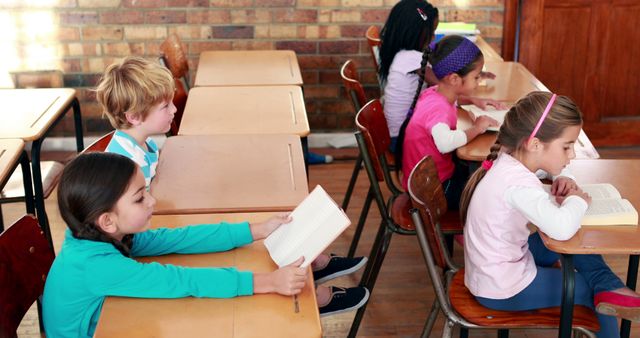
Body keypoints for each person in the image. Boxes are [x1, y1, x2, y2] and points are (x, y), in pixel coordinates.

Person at [95, 56, 369, 316]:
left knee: (244, 240)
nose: (175, 109)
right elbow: (164, 259)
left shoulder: (144, 146)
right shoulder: (122, 168)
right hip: (139, 250)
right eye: (165, 106)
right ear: (133, 116)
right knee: (232, 268)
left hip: (143, 237)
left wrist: (254, 228)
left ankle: (308, 267)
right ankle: (305, 284)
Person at [42, 152, 308, 337]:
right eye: (139, 198)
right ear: (107, 220)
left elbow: (176, 238)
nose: (152, 201)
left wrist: (257, 230)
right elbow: (179, 280)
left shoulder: (93, 233)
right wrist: (269, 283)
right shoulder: (96, 265)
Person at [460, 91, 640, 337]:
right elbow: (561, 227)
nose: (572, 154)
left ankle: (609, 286)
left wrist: (563, 176)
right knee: (590, 291)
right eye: (567, 147)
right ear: (534, 144)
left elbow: (546, 171)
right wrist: (578, 200)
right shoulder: (518, 186)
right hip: (501, 289)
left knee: (578, 246)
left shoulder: (511, 160)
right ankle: (607, 289)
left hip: (494, 267)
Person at [378, 0, 499, 152]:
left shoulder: (404, 55)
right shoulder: (410, 59)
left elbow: (444, 89)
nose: (434, 37)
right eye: (432, 31)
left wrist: (473, 97)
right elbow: (447, 85)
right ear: (417, 31)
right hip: (401, 140)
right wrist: (470, 74)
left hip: (400, 133)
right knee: (467, 147)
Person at [397, 35, 499, 210]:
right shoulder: (439, 109)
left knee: (481, 174)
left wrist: (474, 101)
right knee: (488, 193)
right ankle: (463, 232)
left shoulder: (435, 93)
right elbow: (445, 143)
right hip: (433, 191)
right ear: (454, 79)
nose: (479, 81)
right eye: (476, 77)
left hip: (426, 180)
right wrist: (477, 128)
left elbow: (453, 101)